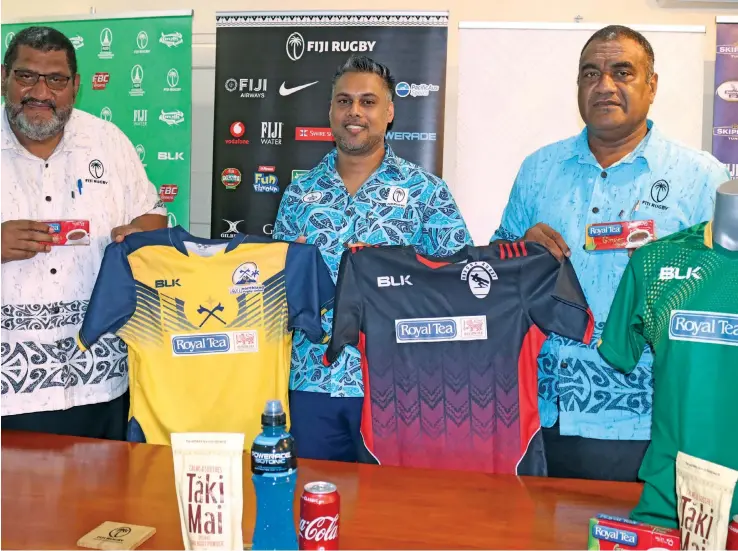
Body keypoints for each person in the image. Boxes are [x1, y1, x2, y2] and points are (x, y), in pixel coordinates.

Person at [491, 25, 730, 481]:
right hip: (543, 415)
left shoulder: (700, 179)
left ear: (652, 85)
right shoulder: (539, 169)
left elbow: (725, 295)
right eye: (591, 73)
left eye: (623, 72)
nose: (605, 85)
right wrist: (518, 249)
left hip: (652, 421)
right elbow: (494, 274)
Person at [273, 54, 471, 462]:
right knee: (313, 504)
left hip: (395, 387)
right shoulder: (298, 195)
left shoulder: (427, 193)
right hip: (310, 382)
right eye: (344, 101)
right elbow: (278, 290)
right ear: (330, 110)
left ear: (390, 111)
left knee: (389, 513)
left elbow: (458, 287)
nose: (354, 112)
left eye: (368, 101)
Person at [1, 26, 167, 439]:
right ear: (4, 76)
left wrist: (134, 235)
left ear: (75, 87)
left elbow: (155, 217)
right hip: (9, 393)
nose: (40, 91)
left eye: (55, 79)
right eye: (26, 76)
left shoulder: (108, 142)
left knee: (101, 502)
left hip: (100, 380)